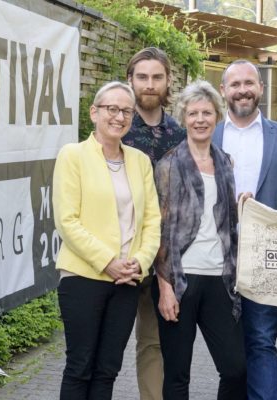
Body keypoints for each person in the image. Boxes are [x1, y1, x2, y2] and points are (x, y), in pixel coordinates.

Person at [53, 81, 161, 400]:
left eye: (126, 111)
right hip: (84, 278)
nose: (119, 116)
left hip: (127, 280)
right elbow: (67, 221)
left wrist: (139, 262)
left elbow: (153, 220)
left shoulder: (139, 161)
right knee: (80, 366)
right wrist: (107, 262)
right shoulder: (73, 155)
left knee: (108, 369)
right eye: (111, 109)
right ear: (94, 113)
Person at [154, 80, 246, 400]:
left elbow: (224, 220)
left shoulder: (226, 163)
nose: (200, 119)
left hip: (219, 278)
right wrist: (165, 288)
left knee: (235, 368)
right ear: (183, 117)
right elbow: (161, 231)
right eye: (193, 113)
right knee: (177, 374)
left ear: (217, 117)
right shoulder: (168, 165)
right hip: (181, 279)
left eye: (207, 112)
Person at [214, 60, 277, 400]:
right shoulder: (207, 134)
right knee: (229, 351)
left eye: (249, 82)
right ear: (223, 91)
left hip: (266, 257)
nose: (242, 90)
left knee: (262, 339)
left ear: (261, 88)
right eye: (234, 84)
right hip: (214, 256)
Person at [121, 47, 186, 400]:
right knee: (107, 348)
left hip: (165, 259)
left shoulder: (180, 134)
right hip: (119, 257)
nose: (150, 84)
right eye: (142, 77)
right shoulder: (116, 127)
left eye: (156, 77)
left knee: (154, 343)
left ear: (168, 81)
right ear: (130, 80)